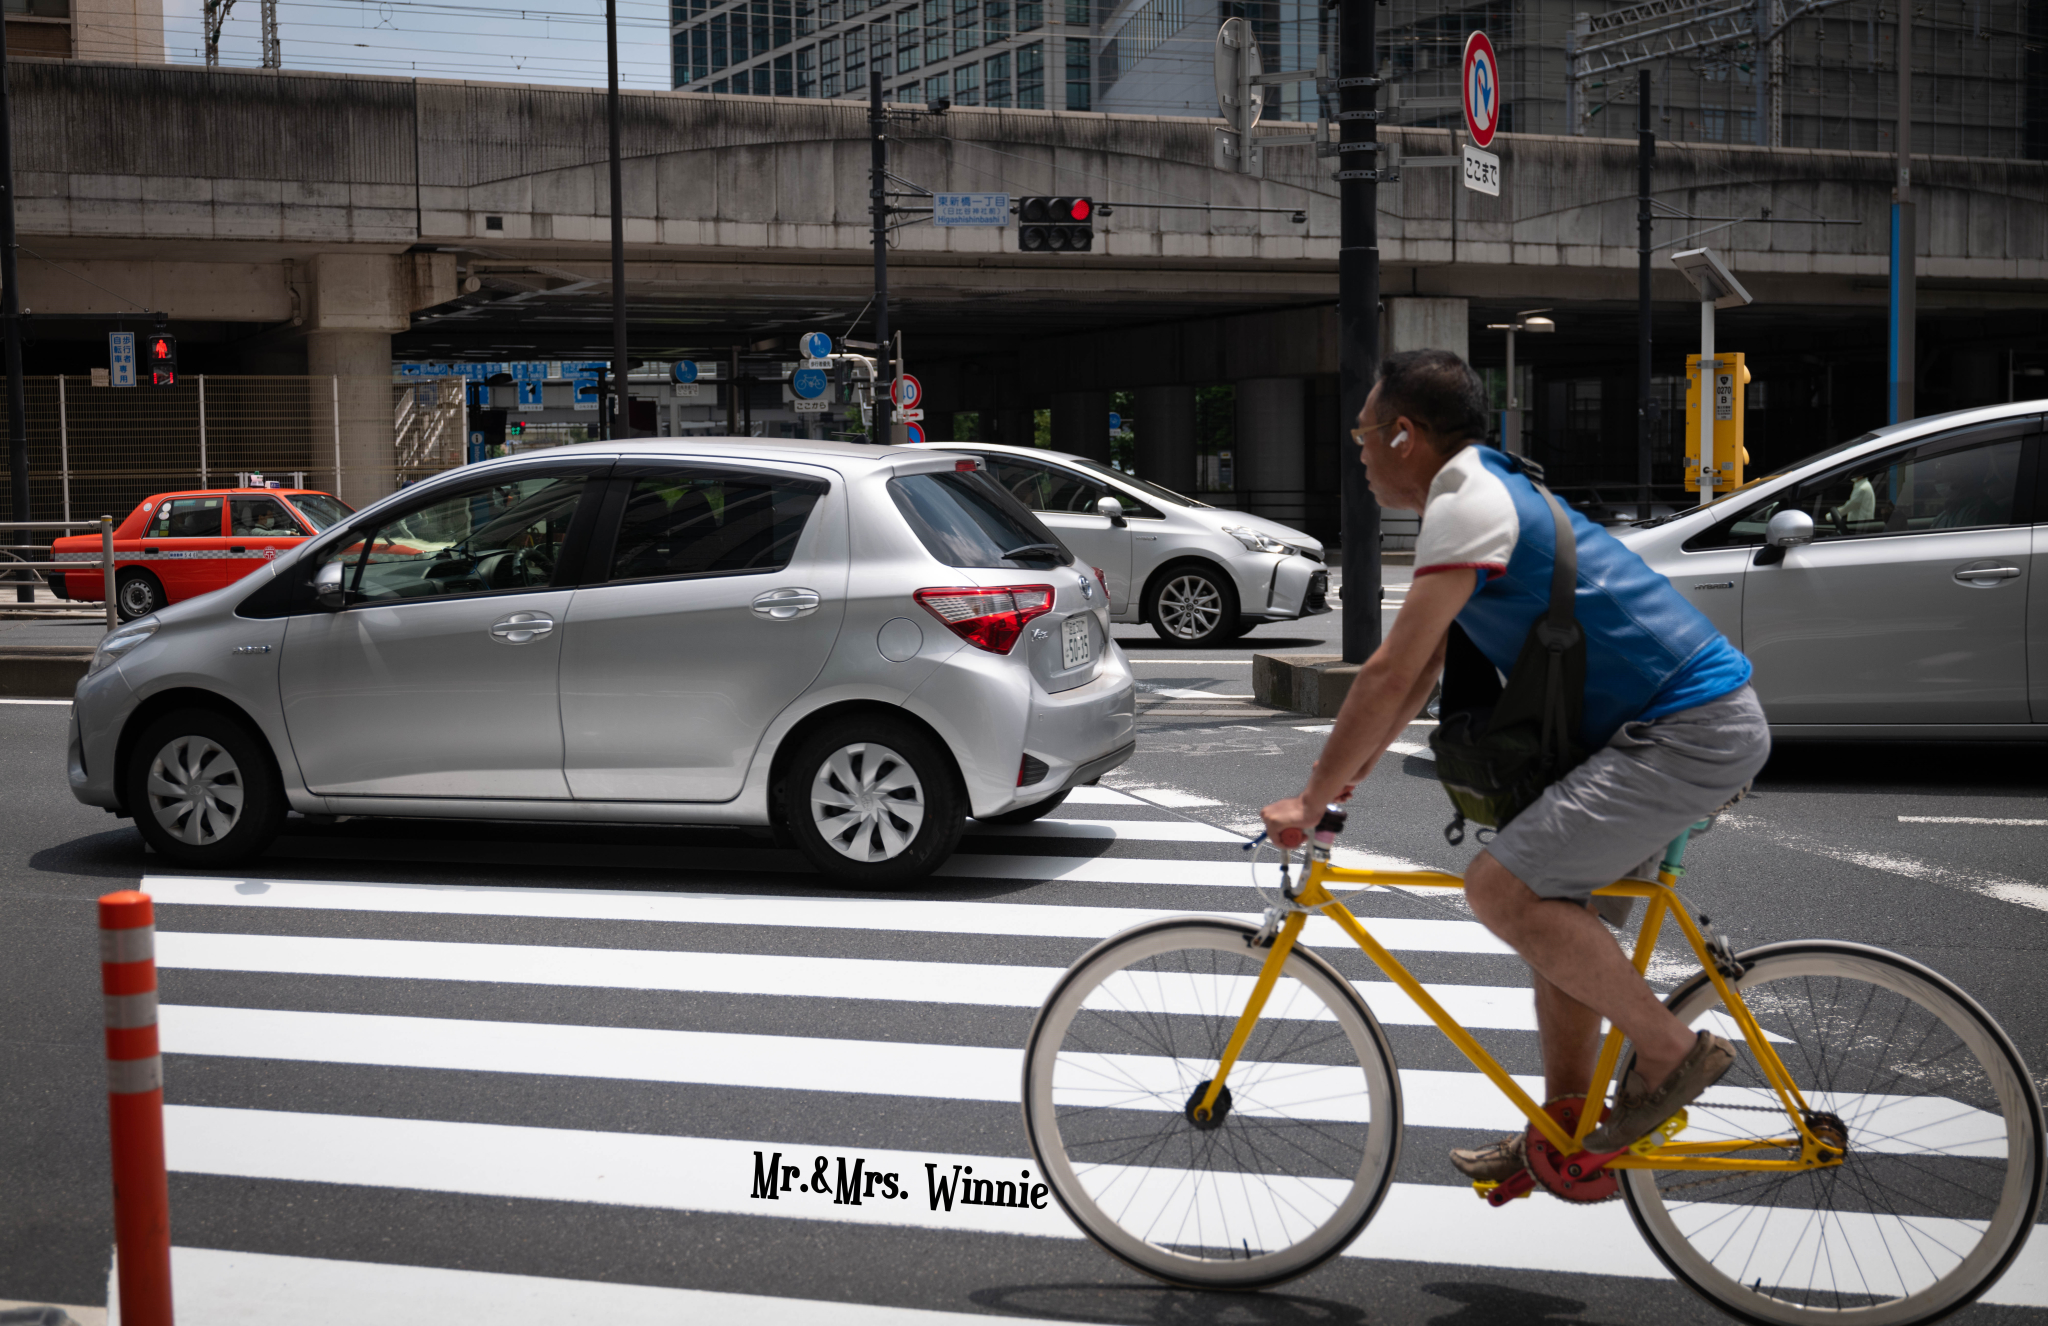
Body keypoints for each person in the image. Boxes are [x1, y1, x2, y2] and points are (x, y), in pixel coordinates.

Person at [1261, 349, 1771, 1178]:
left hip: (1687, 726)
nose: (1356, 451)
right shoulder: (1477, 489)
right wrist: (1347, 778)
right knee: (1556, 921)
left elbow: (1390, 668)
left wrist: (1310, 795)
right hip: (1657, 729)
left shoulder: (1468, 499)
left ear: (1402, 434)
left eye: (1361, 432)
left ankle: (1671, 1051)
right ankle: (1567, 1136)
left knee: (1501, 888)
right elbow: (1421, 672)